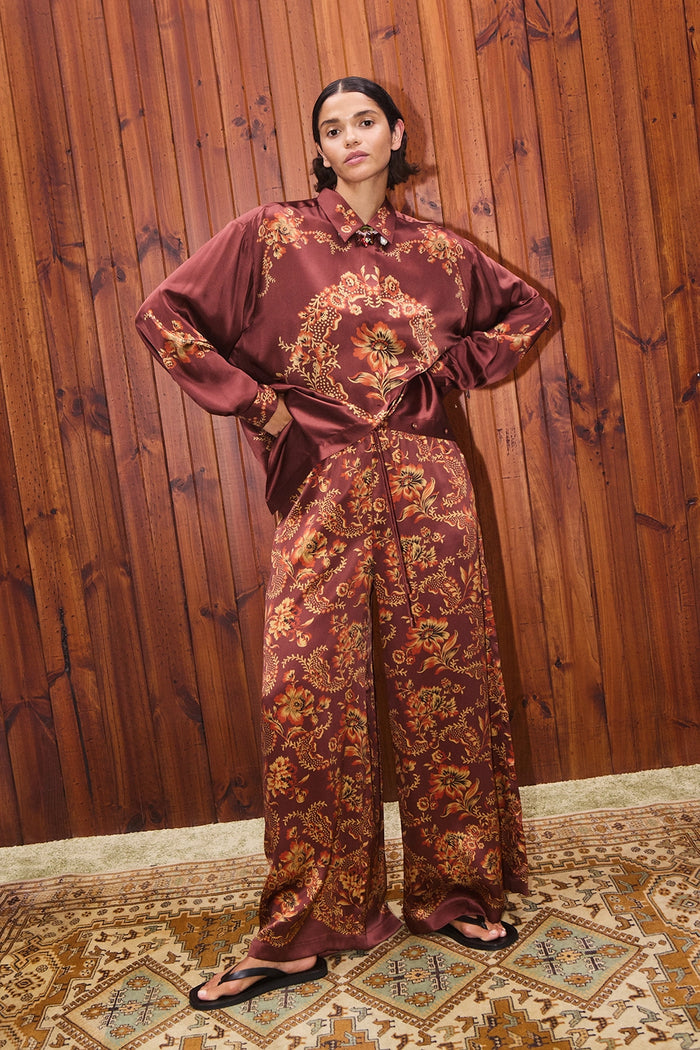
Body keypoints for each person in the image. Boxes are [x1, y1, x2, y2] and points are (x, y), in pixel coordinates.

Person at [136, 76, 551, 1010]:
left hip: (430, 484)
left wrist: (452, 372)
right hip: (321, 485)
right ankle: (310, 923)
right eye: (332, 128)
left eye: (365, 121)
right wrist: (258, 405)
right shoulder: (271, 235)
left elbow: (526, 312)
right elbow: (162, 315)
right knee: (309, 693)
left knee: (444, 678)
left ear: (395, 134)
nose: (350, 137)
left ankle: (455, 890)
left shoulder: (440, 251)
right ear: (319, 150)